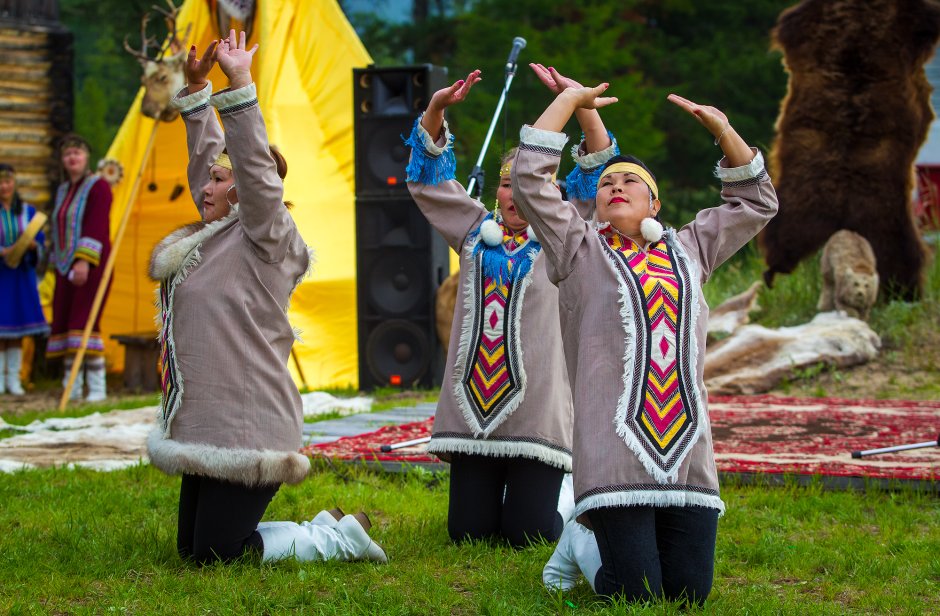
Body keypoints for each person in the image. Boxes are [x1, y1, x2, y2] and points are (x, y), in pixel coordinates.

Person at [513, 83, 778, 604]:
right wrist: (571, 104)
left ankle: (622, 541)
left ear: (655, 201)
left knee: (688, 597)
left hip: (685, 447)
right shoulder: (576, 247)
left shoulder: (691, 246)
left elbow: (756, 200)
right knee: (636, 596)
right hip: (612, 448)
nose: (616, 185)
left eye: (631, 180)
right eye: (607, 180)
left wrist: (723, 131)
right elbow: (528, 180)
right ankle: (580, 543)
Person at [146, 31, 386, 566]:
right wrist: (197, 87)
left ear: (248, 192)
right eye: (209, 179)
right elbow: (210, 156)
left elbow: (254, 171)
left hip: (250, 425)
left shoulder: (268, 238)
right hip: (207, 425)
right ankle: (318, 527)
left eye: (219, 181)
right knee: (194, 553)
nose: (205, 188)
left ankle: (335, 539)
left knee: (218, 555)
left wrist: (241, 85)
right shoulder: (213, 238)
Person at [405, 67, 602, 548]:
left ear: (552, 192)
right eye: (506, 184)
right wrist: (435, 110)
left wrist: (582, 106)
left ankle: (568, 499)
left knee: (529, 535)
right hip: (475, 409)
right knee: (468, 534)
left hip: (537, 409)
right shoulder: (474, 232)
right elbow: (429, 182)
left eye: (526, 185)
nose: (515, 196)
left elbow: (597, 176)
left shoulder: (567, 237)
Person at [47, 133, 112, 402]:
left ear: (87, 158)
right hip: (65, 266)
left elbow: (96, 225)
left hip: (91, 264)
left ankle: (96, 387)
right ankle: (71, 386)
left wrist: (84, 260)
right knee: (64, 320)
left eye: (77, 153)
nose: (72, 158)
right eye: (67, 154)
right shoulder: (63, 190)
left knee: (84, 320)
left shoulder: (98, 187)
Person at [0, 164, 50, 395]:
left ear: (15, 183)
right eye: (0, 182)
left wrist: (33, 246)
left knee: (17, 328)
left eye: (8, 181)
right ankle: (0, 380)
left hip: (20, 275)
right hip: (2, 275)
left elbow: (40, 242)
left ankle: (14, 380)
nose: (4, 186)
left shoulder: (28, 213)